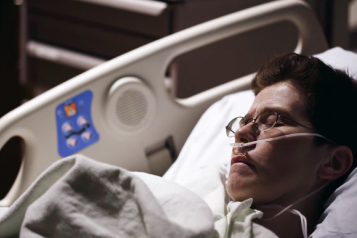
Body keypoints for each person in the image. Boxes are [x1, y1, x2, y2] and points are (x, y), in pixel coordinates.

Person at [225, 52, 357, 238]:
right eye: (244, 122)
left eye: (272, 121)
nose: (240, 134)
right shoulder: (197, 197)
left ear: (333, 163)